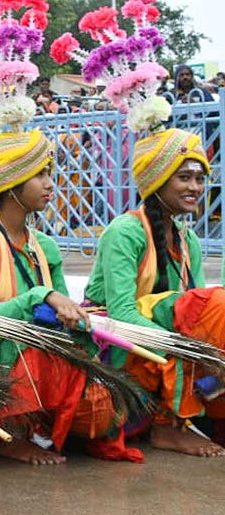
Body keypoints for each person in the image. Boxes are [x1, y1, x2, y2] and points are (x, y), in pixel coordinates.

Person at [0, 132, 139, 464]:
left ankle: (39, 422)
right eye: (40, 174)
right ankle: (10, 435)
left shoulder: (44, 246)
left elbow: (63, 308)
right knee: (33, 353)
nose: (51, 184)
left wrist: (77, 322)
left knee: (100, 412)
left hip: (41, 355)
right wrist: (37, 298)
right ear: (10, 182)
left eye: (50, 173)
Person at [85, 128, 225, 455]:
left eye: (200, 179)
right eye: (184, 178)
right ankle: (166, 427)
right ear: (158, 180)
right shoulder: (125, 231)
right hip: (115, 340)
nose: (195, 188)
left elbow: (201, 311)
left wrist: (205, 348)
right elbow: (122, 314)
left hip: (161, 340)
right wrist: (187, 348)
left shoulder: (187, 239)